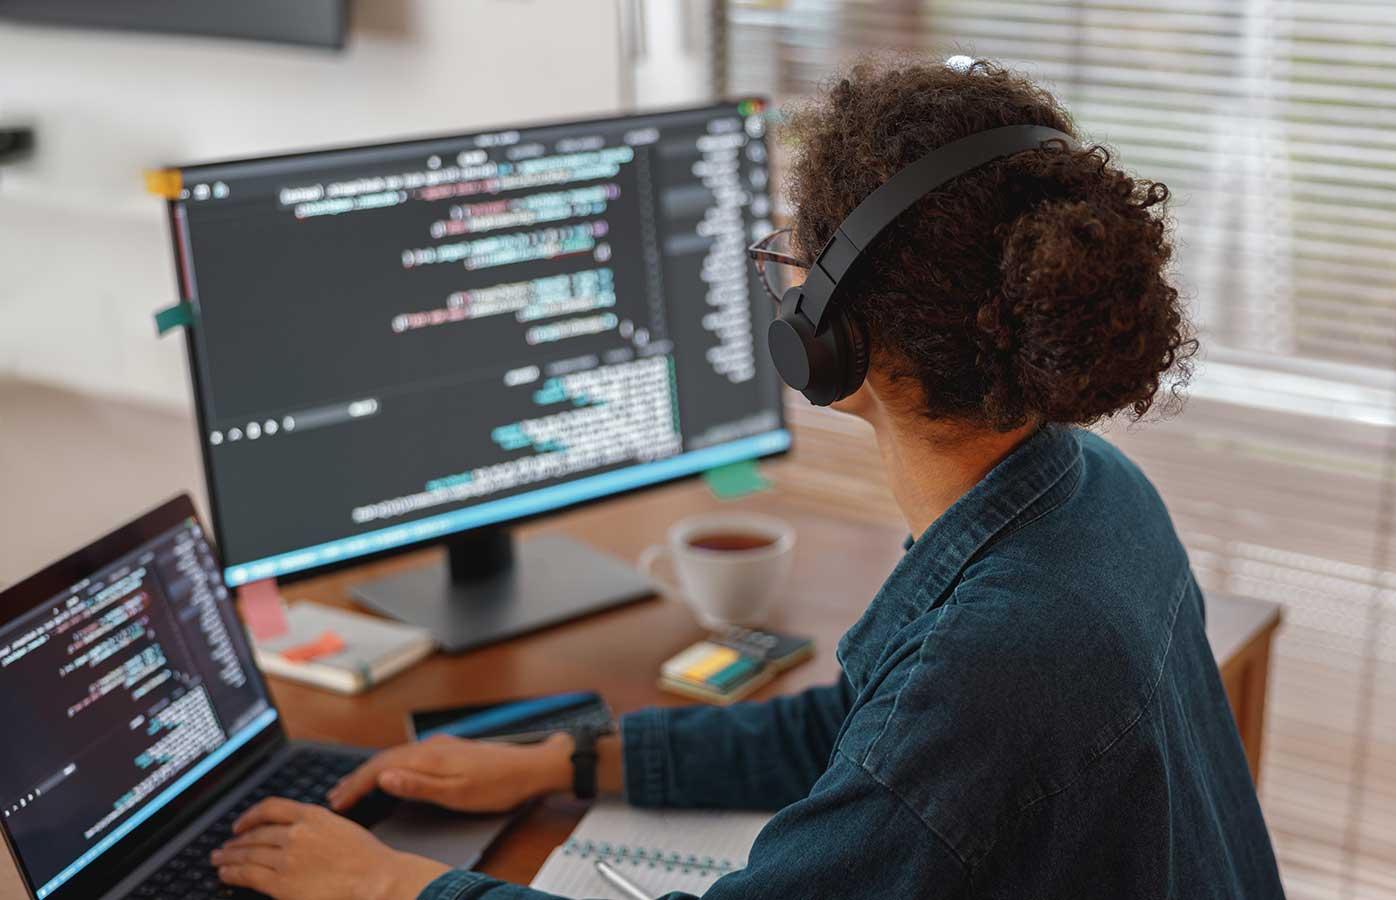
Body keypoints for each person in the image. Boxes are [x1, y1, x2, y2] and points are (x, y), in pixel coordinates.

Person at [213, 57, 1285, 900]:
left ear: (831, 338)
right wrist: (561, 762)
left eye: (795, 264)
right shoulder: (1087, 491)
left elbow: (918, 735)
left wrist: (387, 882)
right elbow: (862, 736)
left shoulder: (994, 656)